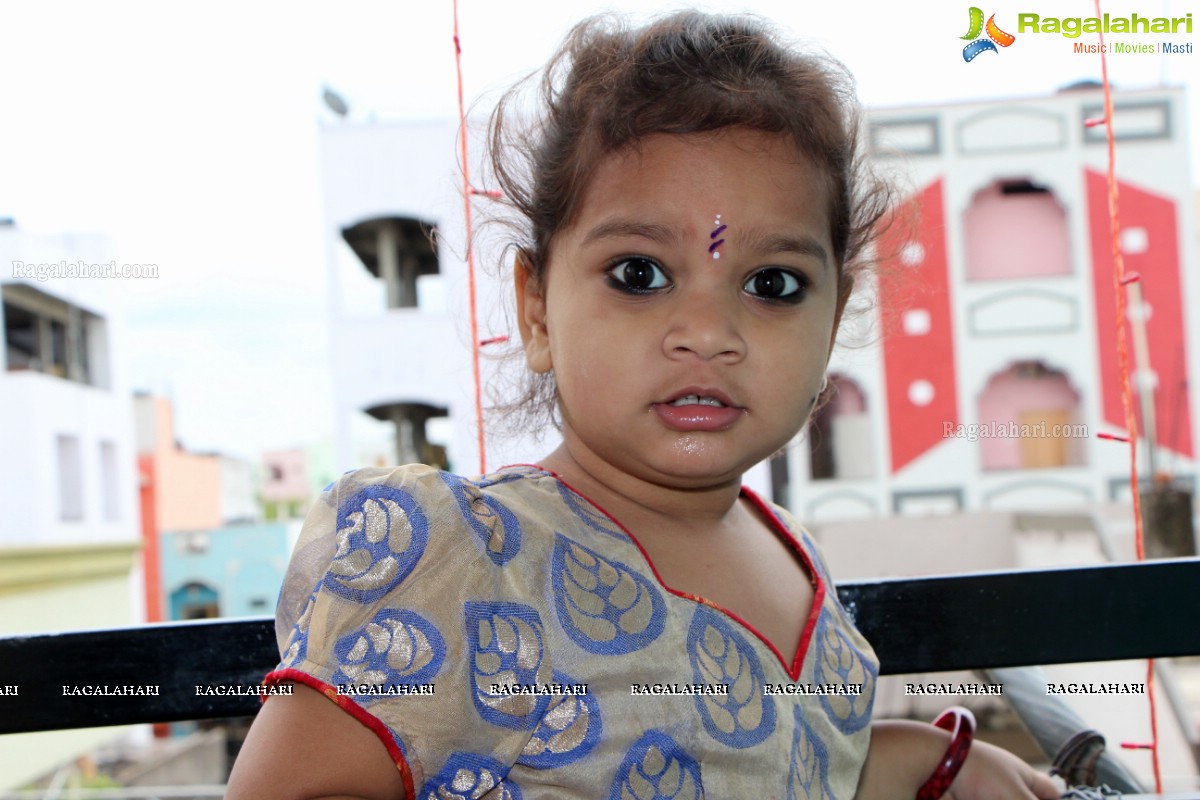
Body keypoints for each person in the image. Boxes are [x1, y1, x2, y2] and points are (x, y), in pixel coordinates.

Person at [227, 11, 1061, 800]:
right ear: (537, 309)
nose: (707, 331)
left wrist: (912, 762)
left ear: (832, 322)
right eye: (640, 274)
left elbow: (775, 764)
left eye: (773, 285)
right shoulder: (470, 561)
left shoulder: (795, 558)